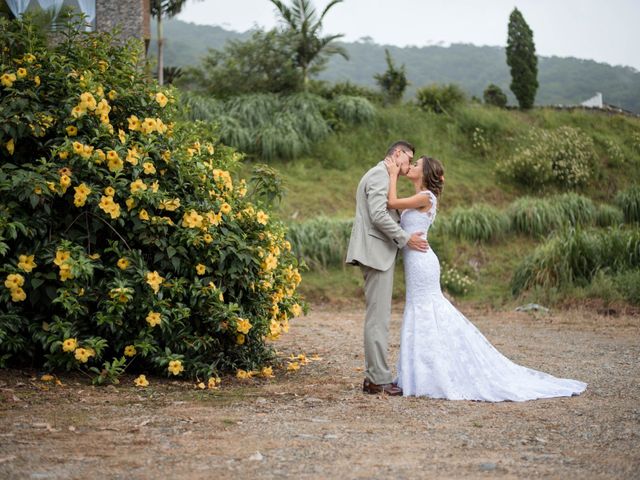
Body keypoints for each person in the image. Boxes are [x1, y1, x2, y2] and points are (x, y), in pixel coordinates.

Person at [384, 155, 587, 400]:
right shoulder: (419, 197)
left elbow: (392, 201)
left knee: (428, 311)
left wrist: (393, 173)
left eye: (416, 164)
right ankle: (419, 374)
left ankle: (430, 376)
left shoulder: (426, 197)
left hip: (423, 263)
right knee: (421, 311)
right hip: (415, 262)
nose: (412, 166)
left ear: (425, 173)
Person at [346, 141, 428, 396]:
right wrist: (405, 238)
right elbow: (379, 215)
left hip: (378, 253)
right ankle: (378, 380)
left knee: (378, 318)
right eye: (408, 159)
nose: (407, 166)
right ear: (397, 154)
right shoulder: (379, 174)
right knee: (378, 320)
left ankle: (376, 377)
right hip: (376, 254)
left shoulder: (380, 174)